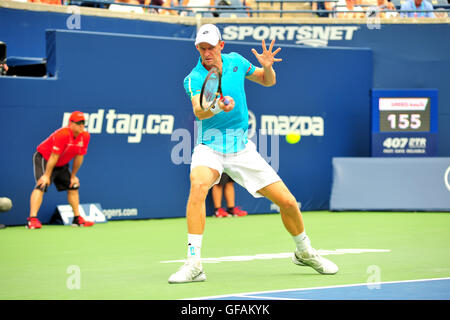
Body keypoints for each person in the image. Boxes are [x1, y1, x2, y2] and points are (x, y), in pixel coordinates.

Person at [168, 24, 338, 283]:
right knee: (198, 185)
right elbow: (199, 111)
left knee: (288, 203)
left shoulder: (236, 61)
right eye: (202, 48)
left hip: (241, 149)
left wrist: (268, 66)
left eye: (211, 47)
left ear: (221, 45)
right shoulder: (193, 77)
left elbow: (267, 81)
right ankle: (194, 264)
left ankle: (304, 252)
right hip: (209, 147)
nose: (206, 53)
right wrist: (216, 106)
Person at [27, 111, 94, 229]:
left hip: (61, 163)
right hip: (45, 158)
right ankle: (32, 219)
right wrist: (46, 175)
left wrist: (73, 176)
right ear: (71, 123)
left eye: (83, 123)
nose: (82, 125)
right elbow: (53, 157)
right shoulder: (62, 134)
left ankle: (77, 219)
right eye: (79, 123)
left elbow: (79, 157)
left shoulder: (85, 136)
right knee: (42, 185)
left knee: (73, 185)